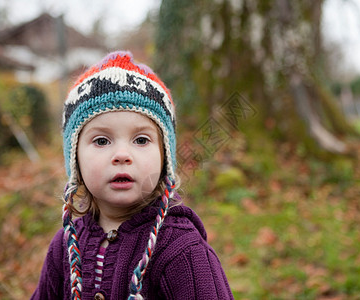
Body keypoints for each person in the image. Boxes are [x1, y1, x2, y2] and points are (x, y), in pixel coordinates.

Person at [31, 51, 234, 300]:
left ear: (165, 157)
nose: (122, 155)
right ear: (75, 160)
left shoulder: (182, 251)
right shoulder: (65, 246)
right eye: (102, 140)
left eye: (141, 139)